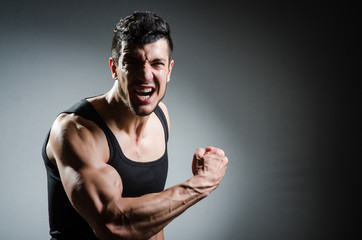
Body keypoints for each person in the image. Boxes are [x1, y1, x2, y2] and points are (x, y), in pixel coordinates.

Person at [42, 11, 228, 240]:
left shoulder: (161, 117)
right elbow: (113, 225)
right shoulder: (76, 131)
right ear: (114, 68)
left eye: (157, 64)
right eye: (132, 62)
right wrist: (200, 184)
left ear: (169, 71)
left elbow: (153, 220)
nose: (145, 75)